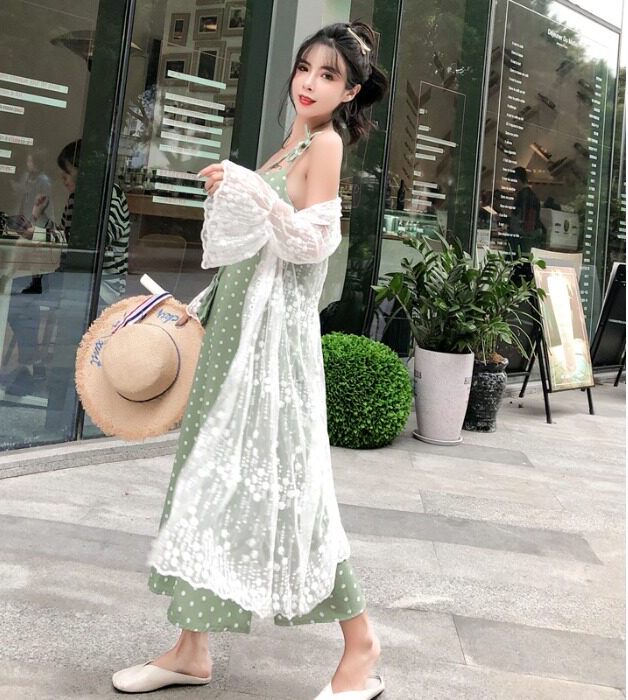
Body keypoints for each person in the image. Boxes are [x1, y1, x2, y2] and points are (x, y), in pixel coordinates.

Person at [112, 22, 388, 700]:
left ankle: (361, 646)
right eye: (305, 67)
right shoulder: (292, 141)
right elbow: (257, 252)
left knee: (293, 488)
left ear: (350, 92)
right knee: (205, 479)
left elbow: (312, 244)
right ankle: (190, 650)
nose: (309, 82)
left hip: (271, 351)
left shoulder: (325, 144)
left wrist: (250, 190)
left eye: (328, 75)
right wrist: (200, 306)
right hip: (234, 333)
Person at [5, 140, 130, 395]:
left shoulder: (110, 197)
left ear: (85, 172)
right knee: (18, 292)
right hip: (74, 276)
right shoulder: (80, 197)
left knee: (21, 295)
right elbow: (68, 237)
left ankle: (35, 368)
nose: (63, 179)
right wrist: (39, 220)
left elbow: (89, 243)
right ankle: (32, 364)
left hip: (100, 283)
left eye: (67, 173)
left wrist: (37, 233)